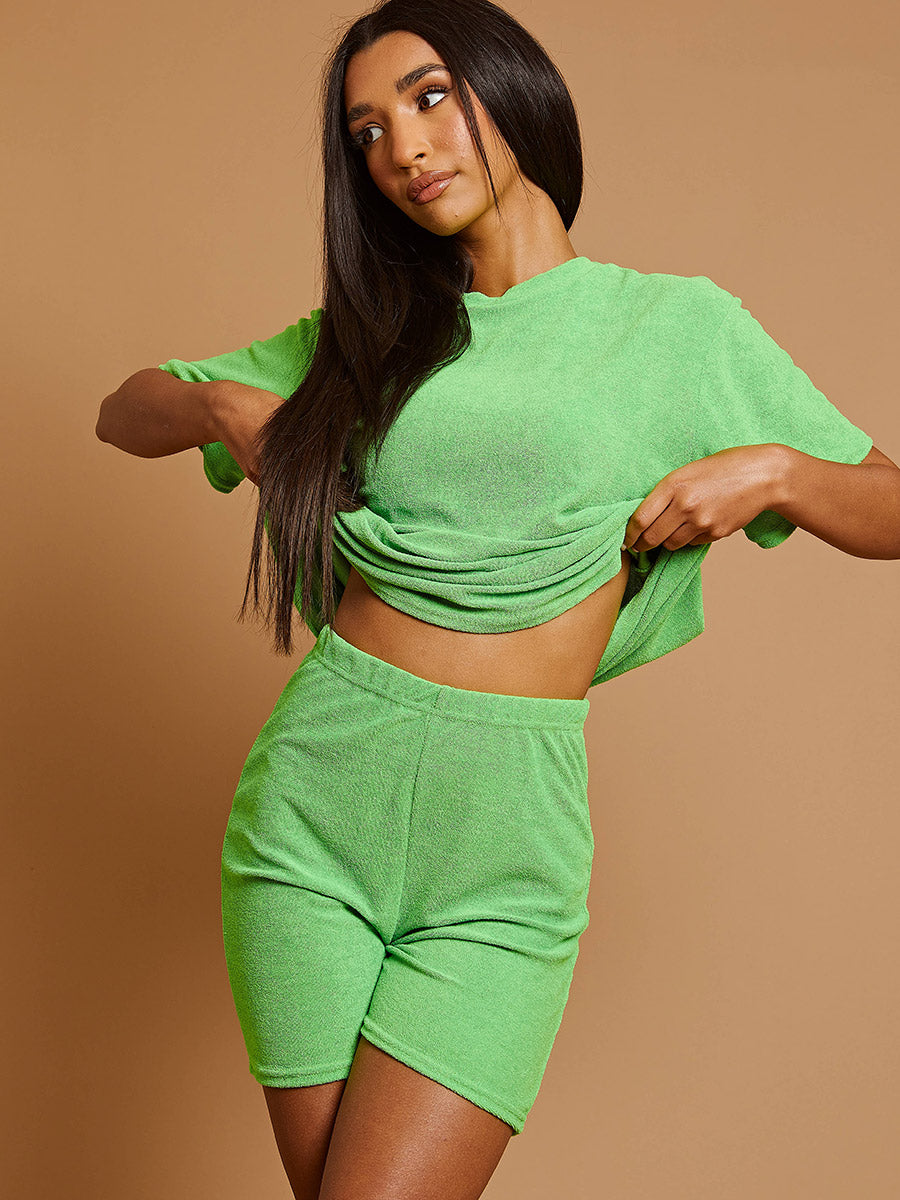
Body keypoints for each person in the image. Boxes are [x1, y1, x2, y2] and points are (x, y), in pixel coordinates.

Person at [94, 0, 900, 1196]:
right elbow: (121, 413)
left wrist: (775, 472)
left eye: (429, 98)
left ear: (513, 87)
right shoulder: (367, 336)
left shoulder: (678, 328)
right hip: (314, 808)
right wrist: (218, 404)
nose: (404, 149)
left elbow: (890, 504)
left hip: (507, 844)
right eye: (368, 132)